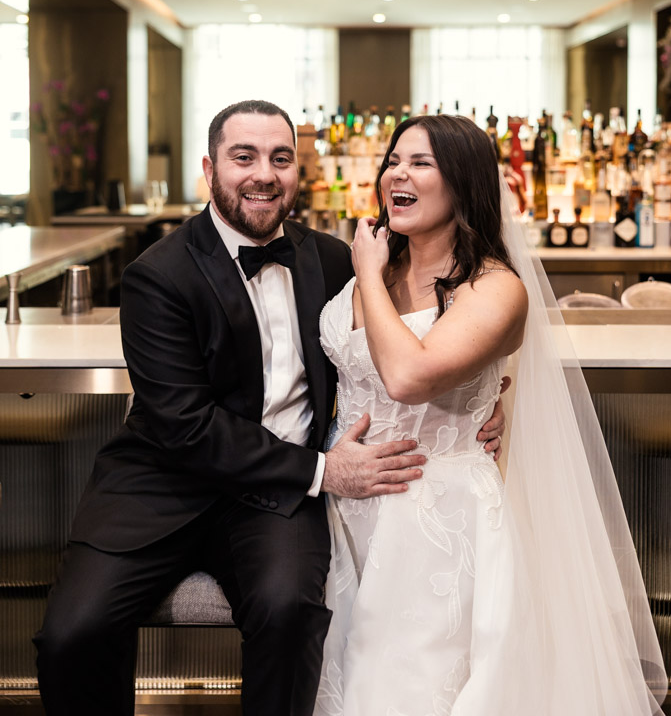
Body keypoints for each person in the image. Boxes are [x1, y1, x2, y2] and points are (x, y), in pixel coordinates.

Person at [33, 100, 505, 716]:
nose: (264, 174)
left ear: (297, 173)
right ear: (211, 170)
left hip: (276, 501)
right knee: (72, 636)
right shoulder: (157, 275)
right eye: (243, 157)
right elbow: (185, 425)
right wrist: (323, 471)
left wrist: (489, 399)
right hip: (163, 489)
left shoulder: (336, 260)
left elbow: (423, 338)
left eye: (280, 159)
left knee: (291, 614)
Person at [313, 113, 668, 716]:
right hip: (342, 515)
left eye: (421, 163)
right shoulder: (373, 263)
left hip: (436, 525)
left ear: (464, 183)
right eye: (393, 161)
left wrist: (367, 274)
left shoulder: (494, 286)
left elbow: (406, 376)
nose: (398, 173)